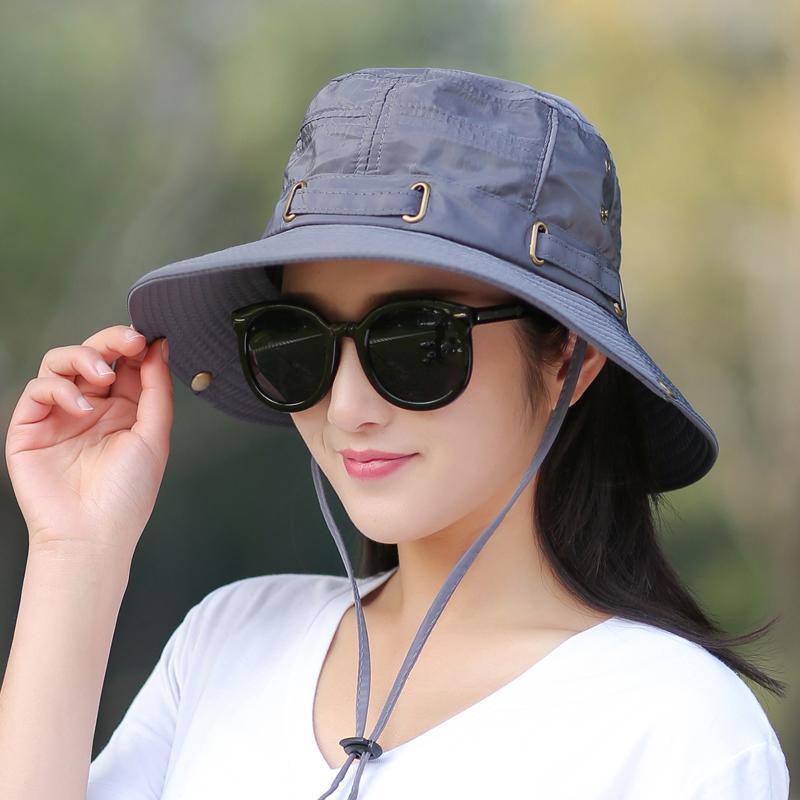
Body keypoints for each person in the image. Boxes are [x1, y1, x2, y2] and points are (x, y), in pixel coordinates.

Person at [0, 67, 790, 799]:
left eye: (417, 342)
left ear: (569, 361)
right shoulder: (230, 639)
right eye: (295, 342)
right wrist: (76, 552)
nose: (347, 407)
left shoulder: (678, 729)